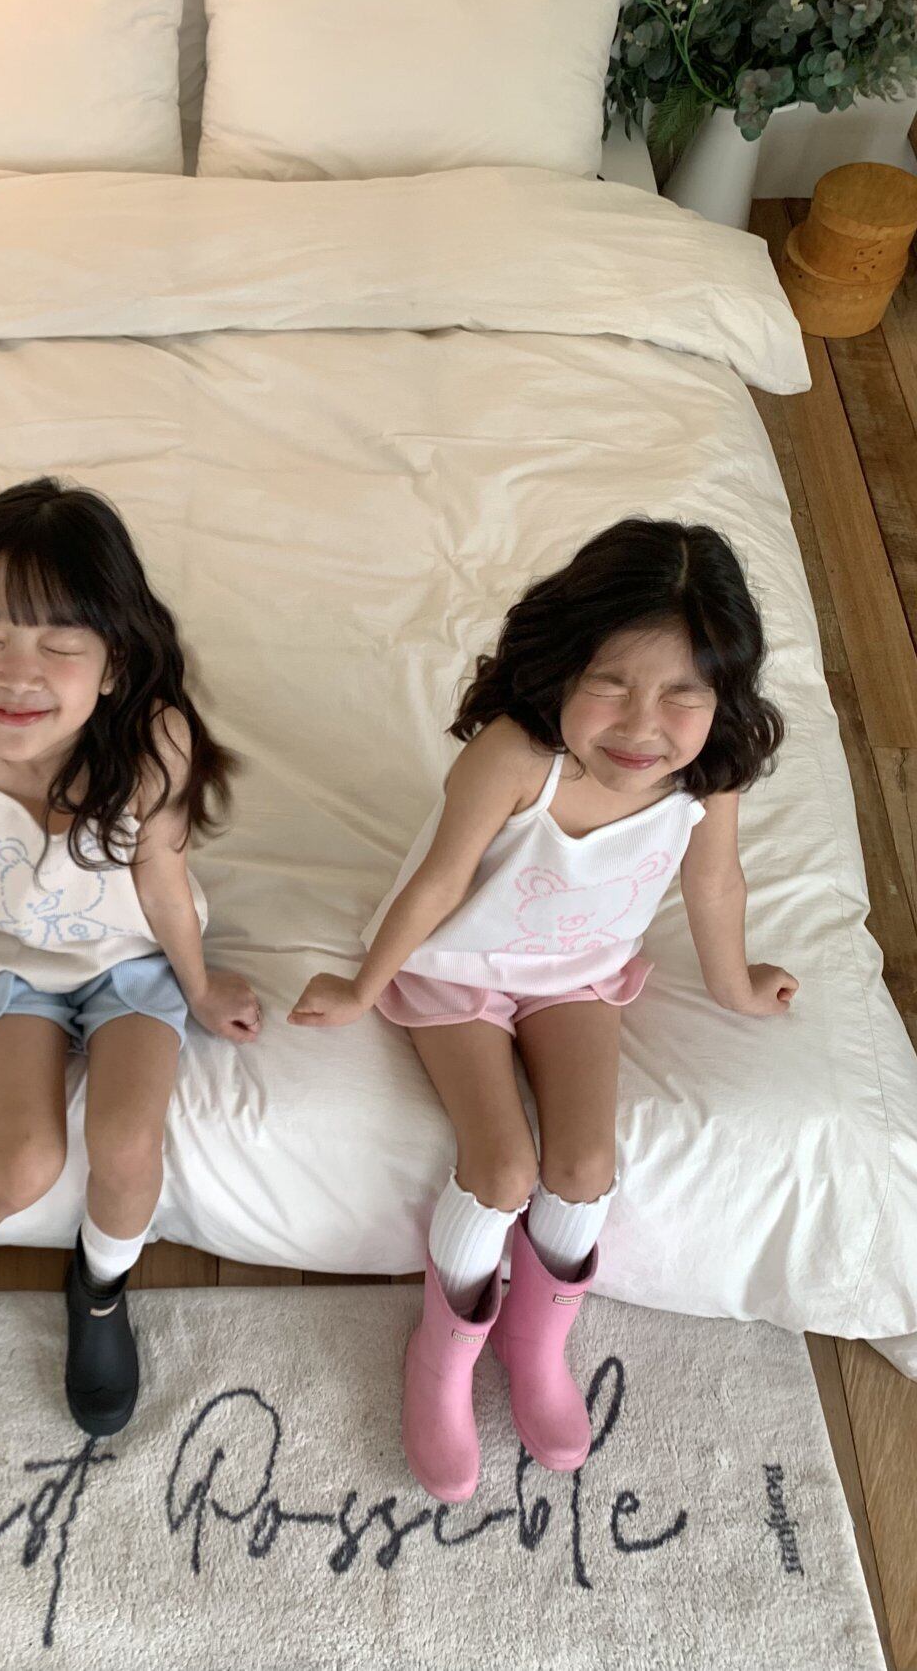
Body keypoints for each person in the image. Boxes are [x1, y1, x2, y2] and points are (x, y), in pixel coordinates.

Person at [289, 518, 797, 1499]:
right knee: (501, 1167)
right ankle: (441, 1356)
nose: (641, 725)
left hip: (578, 975)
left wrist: (736, 984)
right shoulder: (516, 756)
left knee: (585, 1166)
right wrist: (361, 986)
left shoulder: (708, 772)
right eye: (611, 682)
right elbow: (439, 883)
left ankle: (535, 1342)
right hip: (457, 970)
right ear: (562, 665)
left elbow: (715, 882)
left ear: (723, 697)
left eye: (682, 693)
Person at [0, 477, 260, 1441]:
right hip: (13, 965)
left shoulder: (155, 742)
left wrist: (200, 985)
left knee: (129, 1146)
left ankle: (99, 1287)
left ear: (114, 661)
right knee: (25, 1158)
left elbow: (162, 878)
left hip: (132, 960)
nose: (18, 674)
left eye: (59, 645)